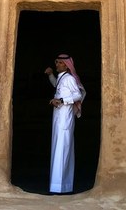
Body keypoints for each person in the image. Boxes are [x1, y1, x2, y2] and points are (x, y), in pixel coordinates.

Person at [44, 54, 85, 194]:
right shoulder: (62, 78)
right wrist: (50, 75)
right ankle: (57, 186)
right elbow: (57, 85)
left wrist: (61, 101)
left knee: (63, 149)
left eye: (60, 62)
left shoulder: (69, 79)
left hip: (65, 118)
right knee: (57, 148)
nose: (57, 64)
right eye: (56, 62)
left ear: (66, 65)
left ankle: (61, 187)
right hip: (58, 117)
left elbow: (78, 94)